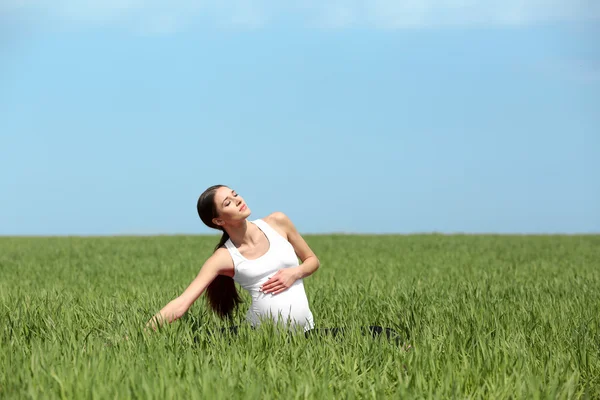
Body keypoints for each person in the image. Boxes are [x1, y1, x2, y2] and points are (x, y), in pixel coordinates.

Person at [147, 184, 319, 333]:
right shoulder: (224, 256)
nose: (237, 200)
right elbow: (181, 303)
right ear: (219, 220)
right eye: (228, 202)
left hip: (305, 333)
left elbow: (312, 260)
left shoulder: (278, 222)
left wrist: (296, 273)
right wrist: (140, 335)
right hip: (258, 338)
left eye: (235, 194)